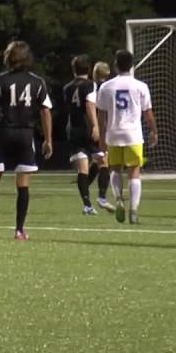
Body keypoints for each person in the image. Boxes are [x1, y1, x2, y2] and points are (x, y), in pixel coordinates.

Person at [0, 41, 53, 241]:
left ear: (8, 57)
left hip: (5, 132)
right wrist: (48, 139)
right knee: (23, 184)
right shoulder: (37, 81)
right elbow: (45, 110)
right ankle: (19, 230)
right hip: (26, 134)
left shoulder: (0, 80)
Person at [96, 50, 158, 224]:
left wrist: (101, 138)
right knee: (134, 173)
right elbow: (148, 113)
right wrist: (154, 131)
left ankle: (118, 200)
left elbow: (101, 116)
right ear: (131, 65)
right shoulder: (140, 86)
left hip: (113, 133)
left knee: (115, 169)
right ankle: (134, 209)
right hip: (133, 134)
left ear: (116, 65)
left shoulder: (106, 87)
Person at [61, 55, 102, 215]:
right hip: (87, 128)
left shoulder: (66, 87)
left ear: (73, 70)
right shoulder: (90, 84)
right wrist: (95, 126)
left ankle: (87, 204)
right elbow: (90, 105)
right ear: (89, 70)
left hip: (73, 128)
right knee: (102, 162)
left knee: (82, 169)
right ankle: (102, 197)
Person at [90, 61, 115, 211]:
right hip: (103, 127)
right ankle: (102, 197)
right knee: (104, 161)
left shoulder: (95, 87)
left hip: (96, 126)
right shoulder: (106, 88)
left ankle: (84, 189)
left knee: (99, 160)